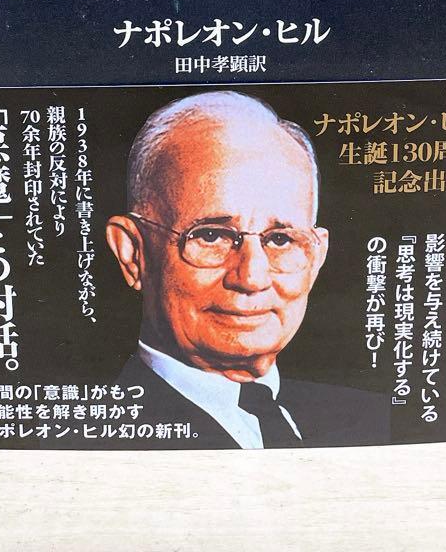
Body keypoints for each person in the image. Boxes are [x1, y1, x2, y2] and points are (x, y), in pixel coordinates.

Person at [105, 91, 390, 449]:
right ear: (133, 253)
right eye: (212, 236)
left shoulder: (373, 419)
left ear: (316, 257)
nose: (252, 278)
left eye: (280, 240)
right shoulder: (108, 437)